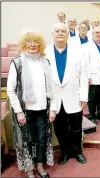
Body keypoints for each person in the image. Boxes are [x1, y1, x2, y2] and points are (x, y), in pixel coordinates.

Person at [7, 30, 56, 178]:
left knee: (41, 140)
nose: (33, 45)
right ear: (24, 44)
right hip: (25, 111)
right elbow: (11, 90)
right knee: (26, 142)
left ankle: (40, 167)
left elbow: (51, 88)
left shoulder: (45, 62)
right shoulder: (17, 63)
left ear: (40, 44)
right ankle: (29, 169)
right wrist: (19, 111)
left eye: (36, 42)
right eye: (29, 41)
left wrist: (52, 109)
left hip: (42, 110)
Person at [45, 23, 88, 165]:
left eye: (63, 31)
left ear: (68, 34)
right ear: (52, 34)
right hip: (55, 99)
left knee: (76, 128)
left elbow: (83, 75)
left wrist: (84, 96)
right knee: (60, 129)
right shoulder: (45, 52)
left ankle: (77, 151)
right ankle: (65, 152)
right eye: (57, 31)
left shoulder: (77, 51)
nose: (60, 33)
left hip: (74, 97)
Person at [83, 26, 100, 124]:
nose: (99, 34)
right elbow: (85, 63)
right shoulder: (86, 46)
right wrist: (88, 77)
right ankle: (92, 115)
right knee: (93, 98)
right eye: (97, 33)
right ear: (92, 34)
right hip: (93, 77)